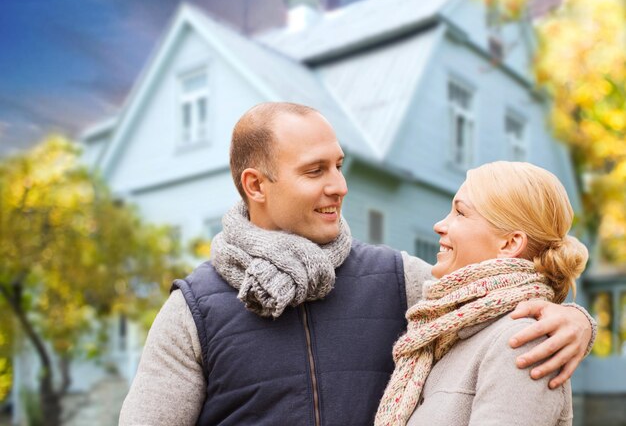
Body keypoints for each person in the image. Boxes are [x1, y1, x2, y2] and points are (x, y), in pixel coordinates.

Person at [119, 103, 595, 426]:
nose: (340, 186)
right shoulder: (194, 312)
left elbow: (488, 300)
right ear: (256, 185)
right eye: (314, 171)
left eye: (339, 165)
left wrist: (574, 319)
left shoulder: (399, 280)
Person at [375, 161, 589, 426]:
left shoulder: (522, 341)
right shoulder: (448, 332)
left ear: (510, 244)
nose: (439, 225)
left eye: (460, 213)